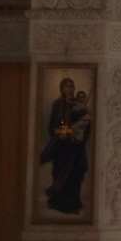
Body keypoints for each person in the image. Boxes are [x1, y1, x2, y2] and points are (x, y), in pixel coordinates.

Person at [40, 78, 91, 214]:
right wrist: (61, 133)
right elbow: (52, 127)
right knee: (60, 174)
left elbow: (87, 127)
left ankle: (73, 205)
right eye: (67, 86)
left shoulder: (79, 104)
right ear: (62, 89)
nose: (70, 89)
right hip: (61, 147)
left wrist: (79, 133)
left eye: (72, 86)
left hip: (76, 147)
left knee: (75, 175)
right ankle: (58, 203)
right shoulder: (57, 105)